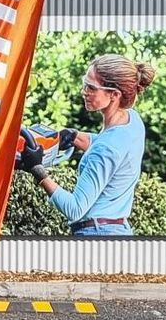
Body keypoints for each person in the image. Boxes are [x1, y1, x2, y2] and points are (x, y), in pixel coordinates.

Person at [18, 53, 154, 237]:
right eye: (85, 83)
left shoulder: (105, 149)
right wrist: (75, 136)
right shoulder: (132, 121)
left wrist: (37, 170)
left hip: (97, 235)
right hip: (118, 231)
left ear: (114, 94)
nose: (84, 91)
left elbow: (75, 209)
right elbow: (114, 146)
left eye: (91, 88)